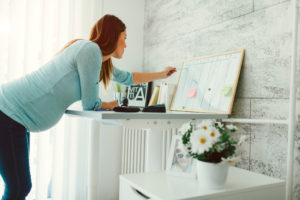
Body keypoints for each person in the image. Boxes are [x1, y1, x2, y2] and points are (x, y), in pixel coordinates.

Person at [0, 14, 176, 200]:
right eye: (124, 38)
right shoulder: (90, 50)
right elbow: (90, 104)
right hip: (8, 113)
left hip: (15, 118)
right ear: (113, 36)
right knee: (19, 188)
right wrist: (109, 104)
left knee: (19, 187)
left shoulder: (100, 59)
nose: (125, 44)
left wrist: (162, 75)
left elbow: (127, 78)